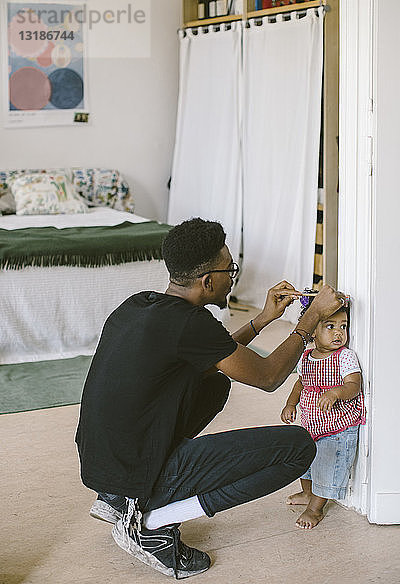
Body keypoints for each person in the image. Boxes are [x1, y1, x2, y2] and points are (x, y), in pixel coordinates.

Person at [75, 217, 345, 579]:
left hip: (103, 463)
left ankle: (117, 497)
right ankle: (151, 525)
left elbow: (216, 359)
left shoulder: (140, 305)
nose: (233, 276)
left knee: (215, 385)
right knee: (298, 448)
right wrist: (309, 320)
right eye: (230, 270)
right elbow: (268, 378)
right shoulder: (191, 324)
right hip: (134, 465)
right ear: (208, 281)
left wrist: (264, 319)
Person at [280, 300, 366, 530]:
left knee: (327, 467)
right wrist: (290, 404)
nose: (339, 332)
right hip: (312, 425)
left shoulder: (345, 357)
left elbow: (353, 385)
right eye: (330, 326)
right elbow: (300, 384)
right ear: (313, 332)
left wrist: (336, 392)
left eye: (343, 326)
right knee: (306, 463)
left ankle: (315, 509)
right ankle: (308, 493)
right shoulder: (306, 357)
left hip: (337, 427)